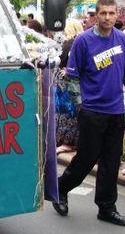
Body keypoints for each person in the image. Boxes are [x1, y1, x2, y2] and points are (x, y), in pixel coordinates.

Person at [53, 0, 125, 227]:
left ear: (116, 15)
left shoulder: (122, 40)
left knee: (111, 161)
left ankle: (106, 207)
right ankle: (60, 188)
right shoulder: (83, 41)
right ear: (96, 15)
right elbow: (72, 77)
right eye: (103, 13)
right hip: (92, 111)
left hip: (116, 111)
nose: (107, 17)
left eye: (111, 13)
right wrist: (81, 103)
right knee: (86, 158)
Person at [55, 18, 83, 154]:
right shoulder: (74, 43)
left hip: (66, 83)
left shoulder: (72, 44)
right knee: (67, 112)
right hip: (65, 82)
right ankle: (67, 141)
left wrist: (68, 71)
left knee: (67, 112)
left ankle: (66, 142)